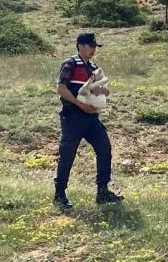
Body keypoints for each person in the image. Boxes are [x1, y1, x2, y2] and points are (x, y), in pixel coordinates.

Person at [53, 31, 123, 209]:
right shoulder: (70, 64)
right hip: (73, 117)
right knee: (67, 155)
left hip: (91, 117)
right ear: (80, 46)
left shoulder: (93, 67)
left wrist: (103, 92)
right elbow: (61, 88)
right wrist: (79, 104)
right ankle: (59, 194)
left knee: (104, 149)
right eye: (91, 46)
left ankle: (102, 191)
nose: (93, 50)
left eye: (95, 47)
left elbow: (104, 90)